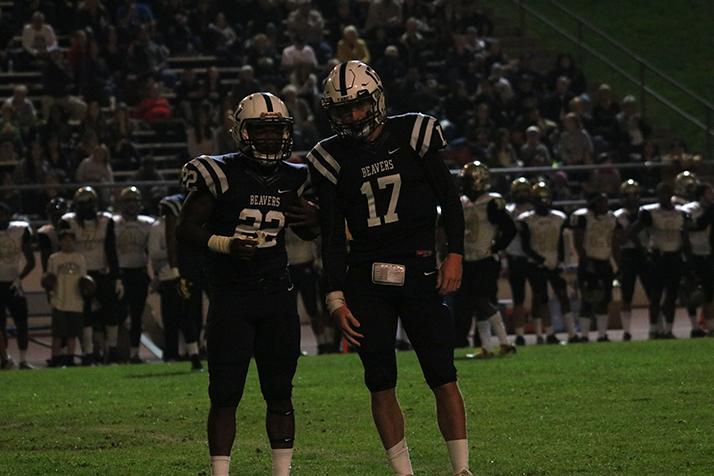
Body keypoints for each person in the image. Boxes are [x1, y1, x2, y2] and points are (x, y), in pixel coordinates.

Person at [307, 61, 471, 476]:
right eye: (343, 110)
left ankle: (462, 469)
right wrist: (335, 296)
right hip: (365, 278)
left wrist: (455, 252)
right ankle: (403, 473)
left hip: (419, 269)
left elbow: (449, 199)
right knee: (379, 379)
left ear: (376, 98)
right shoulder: (329, 157)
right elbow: (329, 235)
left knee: (442, 373)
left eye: (359, 106)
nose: (353, 116)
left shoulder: (413, 133)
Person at [177, 92, 318, 476]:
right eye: (262, 131)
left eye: (277, 132)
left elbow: (309, 233)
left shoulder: (296, 176)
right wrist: (225, 244)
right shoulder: (220, 173)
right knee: (225, 394)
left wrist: (313, 218)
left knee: (280, 393)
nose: (271, 139)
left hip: (276, 294)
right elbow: (186, 228)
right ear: (242, 133)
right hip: (232, 295)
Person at [453, 161, 516, 358]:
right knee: (474, 303)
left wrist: (496, 247)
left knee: (482, 301)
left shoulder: (491, 202)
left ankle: (506, 342)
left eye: (467, 180)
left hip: (485, 259)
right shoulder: (462, 201)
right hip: (468, 259)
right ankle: (487, 348)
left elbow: (510, 229)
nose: (463, 184)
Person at [60, 186, 122, 364]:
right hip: (79, 275)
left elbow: (111, 250)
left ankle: (112, 350)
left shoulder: (105, 220)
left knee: (111, 312)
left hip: (102, 272)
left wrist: (116, 277)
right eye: (83, 203)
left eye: (89, 202)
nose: (86, 206)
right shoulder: (68, 221)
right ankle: (87, 353)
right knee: (84, 316)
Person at [627, 183, 690, 339]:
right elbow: (632, 231)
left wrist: (685, 253)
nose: (664, 196)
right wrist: (644, 250)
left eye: (666, 193)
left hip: (674, 255)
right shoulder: (650, 212)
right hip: (658, 256)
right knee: (655, 295)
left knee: (672, 294)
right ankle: (654, 328)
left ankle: (668, 329)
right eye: (661, 193)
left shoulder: (680, 212)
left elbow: (686, 234)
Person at [149, 194, 202, 371]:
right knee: (173, 318)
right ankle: (176, 353)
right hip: (170, 276)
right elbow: (158, 252)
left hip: (188, 272)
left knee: (192, 314)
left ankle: (195, 353)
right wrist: (173, 268)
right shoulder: (159, 227)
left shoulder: (189, 224)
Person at [517, 180, 570, 344]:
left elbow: (561, 242)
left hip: (553, 261)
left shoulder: (559, 218)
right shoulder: (526, 219)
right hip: (536, 263)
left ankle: (573, 332)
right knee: (540, 298)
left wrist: (561, 261)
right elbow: (525, 246)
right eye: (540, 198)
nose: (544, 202)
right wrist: (541, 260)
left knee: (563, 295)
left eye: (546, 198)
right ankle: (544, 333)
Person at [570, 193, 622, 342]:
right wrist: (586, 262)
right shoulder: (583, 217)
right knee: (587, 299)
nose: (604, 205)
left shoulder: (611, 218)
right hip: (589, 261)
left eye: (605, 202)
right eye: (600, 202)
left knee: (604, 299)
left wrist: (618, 265)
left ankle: (602, 334)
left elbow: (615, 243)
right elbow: (578, 242)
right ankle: (584, 335)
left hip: (604, 261)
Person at [113, 187, 155, 363]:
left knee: (137, 315)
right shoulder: (113, 223)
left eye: (134, 201)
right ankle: (117, 351)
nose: (131, 205)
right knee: (118, 315)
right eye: (128, 201)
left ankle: (134, 353)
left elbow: (151, 251)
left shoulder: (148, 224)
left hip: (139, 271)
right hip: (121, 273)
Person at [44, 230, 88, 367]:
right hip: (59, 300)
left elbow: (84, 280)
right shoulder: (54, 258)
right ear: (60, 242)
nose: (68, 243)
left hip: (75, 300)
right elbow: (49, 278)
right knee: (58, 334)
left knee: (72, 334)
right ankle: (55, 357)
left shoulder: (80, 258)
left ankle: (70, 357)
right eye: (65, 240)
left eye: (70, 240)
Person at [613, 180, 650, 341]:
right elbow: (619, 240)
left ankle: (657, 326)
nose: (632, 198)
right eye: (628, 195)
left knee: (653, 292)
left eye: (635, 194)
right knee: (627, 295)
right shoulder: (618, 215)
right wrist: (635, 228)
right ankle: (627, 331)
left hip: (645, 254)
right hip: (628, 255)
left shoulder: (646, 213)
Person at [0, 202, 35, 369]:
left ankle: (22, 359)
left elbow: (31, 261)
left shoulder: (19, 230)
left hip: (13, 283)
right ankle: (4, 358)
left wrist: (19, 278)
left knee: (22, 322)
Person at [679, 183, 714, 337]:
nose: (712, 195)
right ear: (701, 195)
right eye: (709, 193)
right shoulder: (690, 209)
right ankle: (695, 327)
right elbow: (689, 227)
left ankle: (709, 324)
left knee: (709, 291)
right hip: (693, 253)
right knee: (693, 290)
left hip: (707, 252)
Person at [505, 177, 535, 346]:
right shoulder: (509, 211)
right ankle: (520, 334)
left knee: (539, 295)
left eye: (525, 191)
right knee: (518, 298)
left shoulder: (534, 210)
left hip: (533, 258)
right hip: (515, 257)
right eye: (519, 191)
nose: (522, 194)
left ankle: (540, 332)